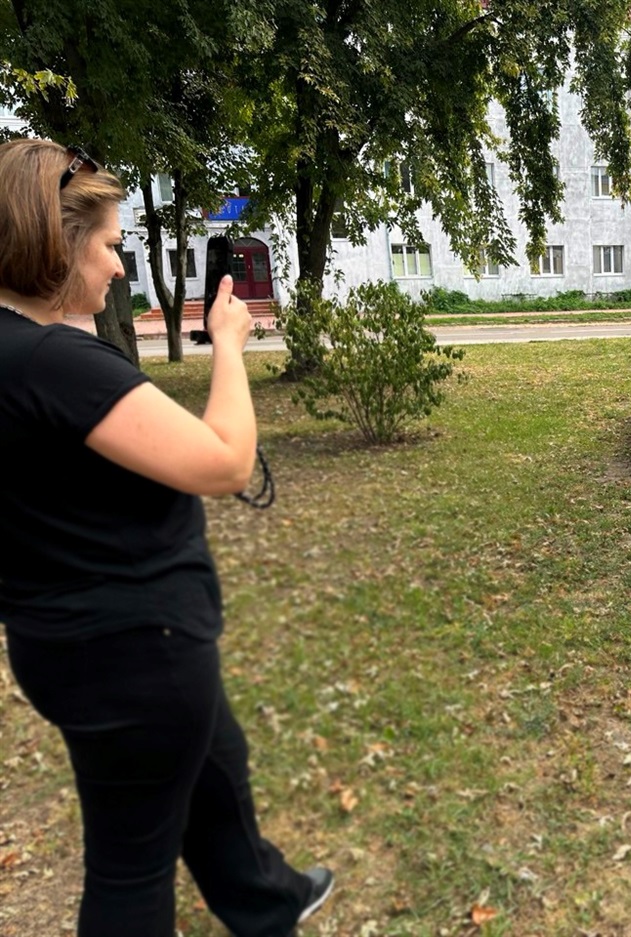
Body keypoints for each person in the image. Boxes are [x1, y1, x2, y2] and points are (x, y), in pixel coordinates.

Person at [0, 139, 332, 936]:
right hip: (133, 650)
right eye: (111, 246)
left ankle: (268, 899)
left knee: (216, 760)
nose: (119, 269)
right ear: (56, 240)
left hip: (69, 639)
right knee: (130, 869)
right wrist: (227, 344)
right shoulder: (54, 360)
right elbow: (223, 461)